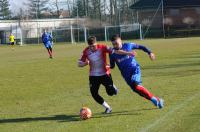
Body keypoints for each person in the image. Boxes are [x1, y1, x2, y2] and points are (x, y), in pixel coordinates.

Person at [78, 36, 134, 113]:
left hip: (105, 74)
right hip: (93, 76)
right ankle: (108, 108)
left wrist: (128, 53)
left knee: (111, 93)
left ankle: (113, 87)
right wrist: (85, 63)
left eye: (94, 46)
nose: (92, 48)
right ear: (88, 46)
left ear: (96, 43)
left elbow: (115, 51)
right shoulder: (86, 51)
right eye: (90, 46)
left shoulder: (102, 47)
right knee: (94, 93)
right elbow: (79, 64)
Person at [109, 35, 164, 109]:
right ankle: (156, 99)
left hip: (135, 69)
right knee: (139, 91)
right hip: (126, 75)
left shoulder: (128, 45)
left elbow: (141, 47)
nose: (115, 45)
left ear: (120, 40)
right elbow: (112, 66)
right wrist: (107, 66)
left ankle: (155, 100)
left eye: (116, 43)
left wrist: (150, 52)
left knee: (137, 85)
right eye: (113, 44)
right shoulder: (112, 53)